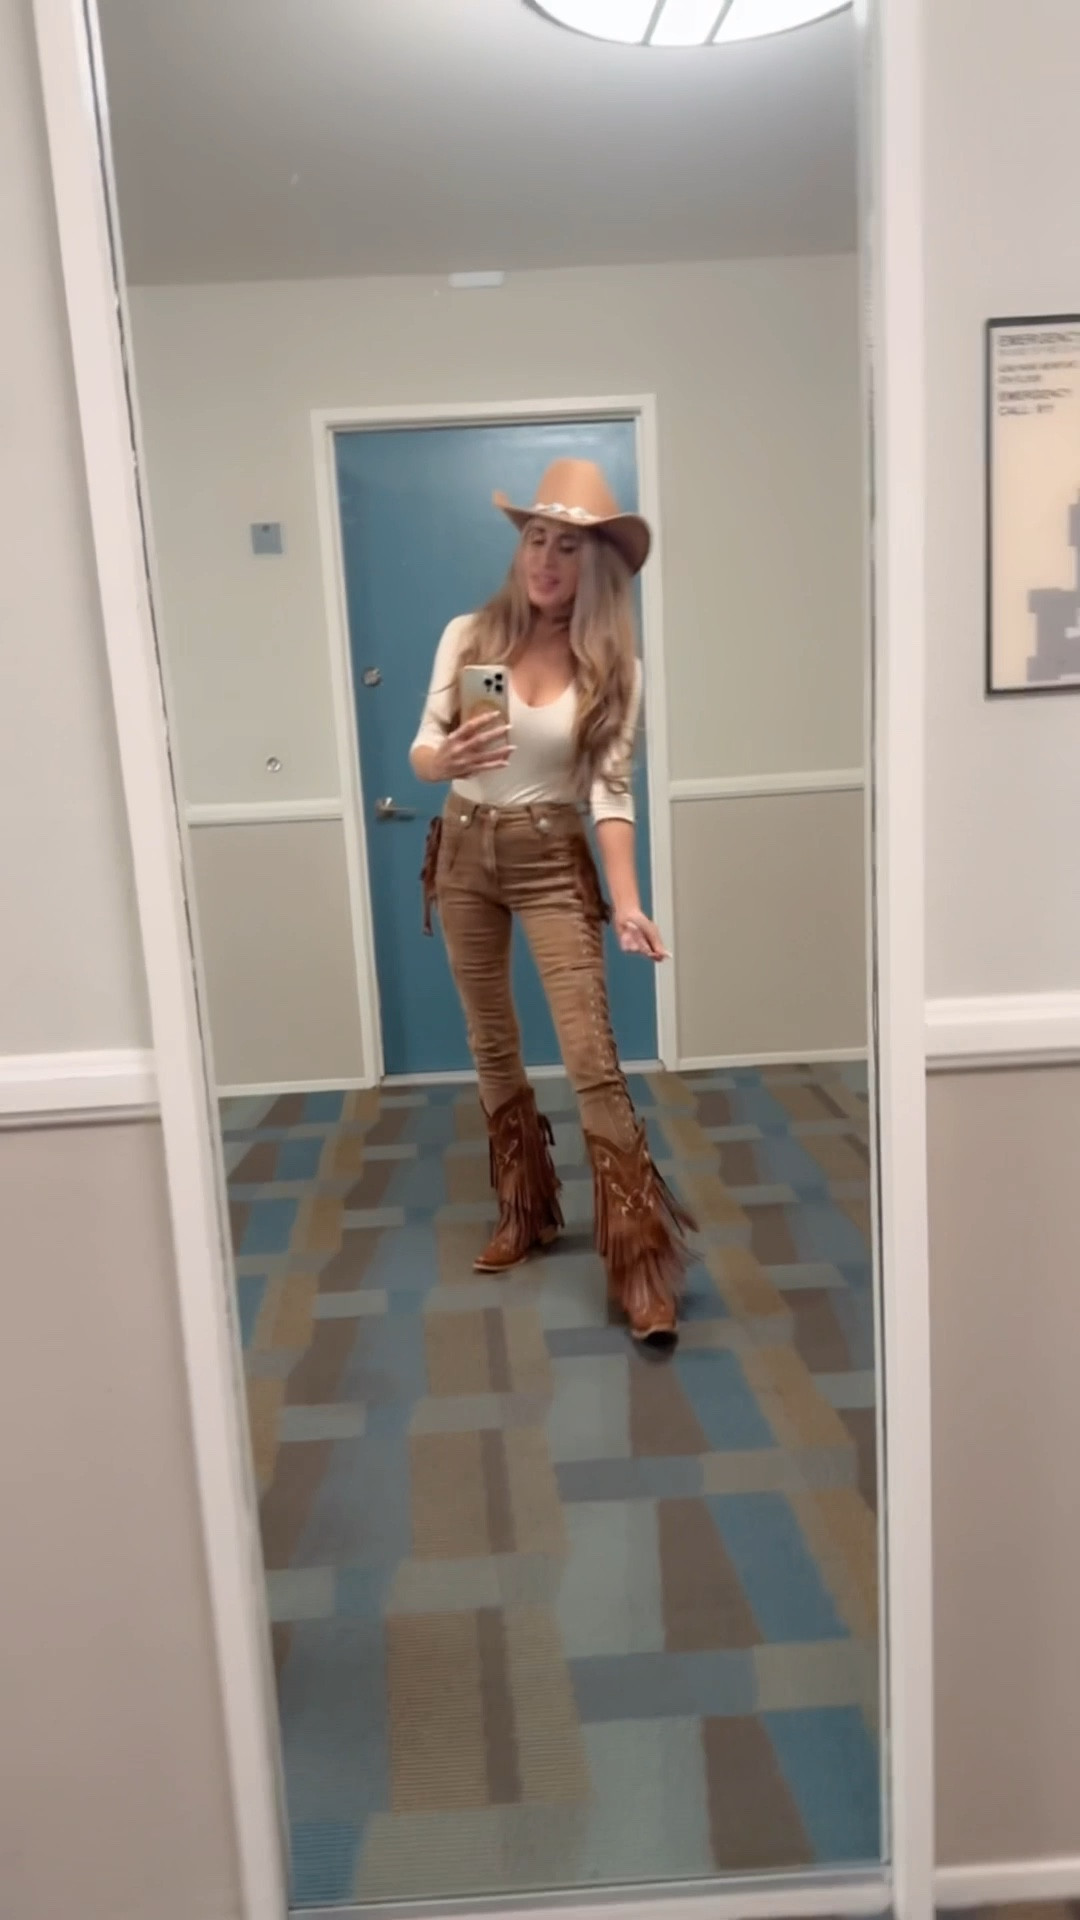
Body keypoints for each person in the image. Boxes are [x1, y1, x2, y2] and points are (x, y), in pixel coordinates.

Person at [411, 457, 694, 1343]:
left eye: (568, 548)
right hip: (464, 850)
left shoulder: (613, 668)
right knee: (491, 1041)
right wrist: (442, 760)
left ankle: (640, 1262)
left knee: (590, 1057)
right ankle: (524, 1208)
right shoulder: (473, 637)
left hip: (549, 858)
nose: (545, 559)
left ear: (595, 565)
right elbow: (426, 747)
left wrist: (628, 902)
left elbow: (611, 792)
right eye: (536, 539)